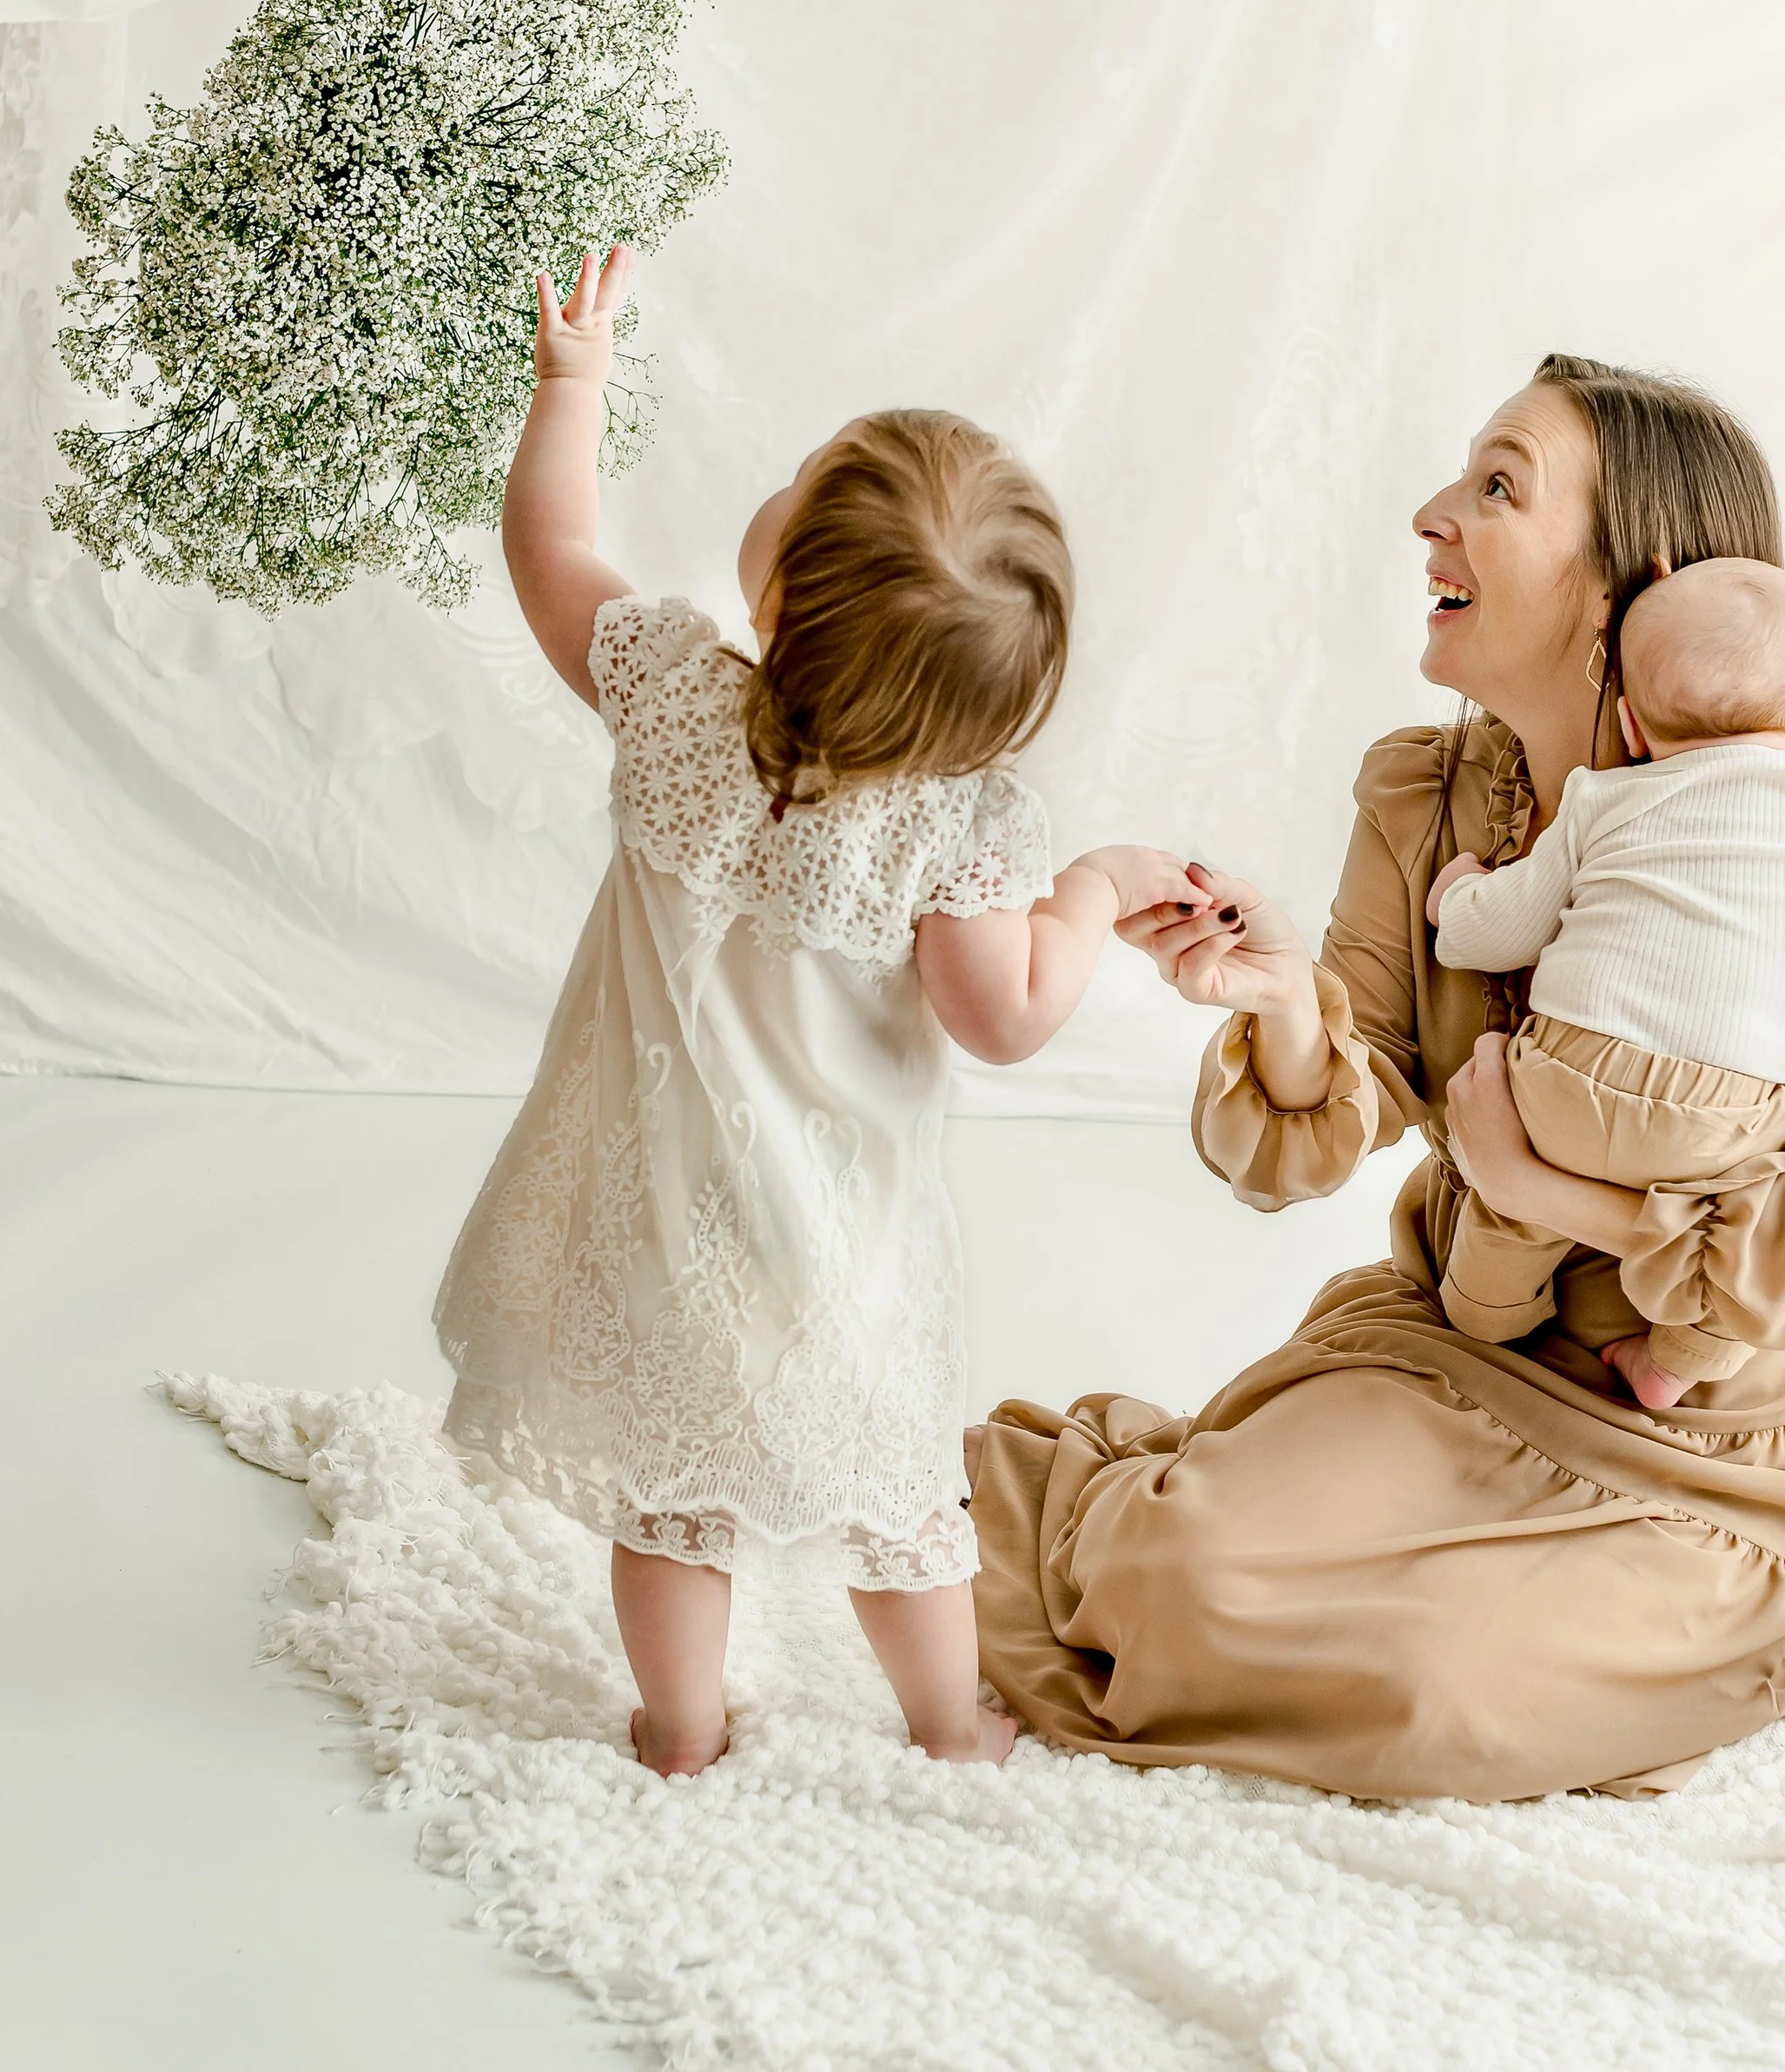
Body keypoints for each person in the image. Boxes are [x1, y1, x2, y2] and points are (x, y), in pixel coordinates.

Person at [968, 352, 1785, 1804]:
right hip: (1470, 1347)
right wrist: (1284, 998)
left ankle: (1755, 1616)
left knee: (1440, 1701)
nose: (1435, 513)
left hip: (1708, 1432)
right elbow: (1328, 1114)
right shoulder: (1427, 796)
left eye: (1499, 487)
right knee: (1175, 1582)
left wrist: (1540, 1185)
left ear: (1628, 582)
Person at [435, 248, 1211, 1777]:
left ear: (779, 596)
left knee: (673, 1504)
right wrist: (1095, 887)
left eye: (796, 485)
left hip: (659, 1219)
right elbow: (1008, 1015)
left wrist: (571, 385)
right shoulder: (960, 823)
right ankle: (946, 1723)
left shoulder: (674, 694)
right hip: (840, 1252)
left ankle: (681, 1727)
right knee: (900, 1505)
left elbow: (549, 544)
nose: (779, 480)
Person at [1427, 556, 1785, 1411]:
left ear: (1632, 726)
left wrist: (1454, 898)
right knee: (1758, 1236)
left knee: (1512, 1215)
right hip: (1723, 1116)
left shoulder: (1599, 798)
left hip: (1563, 1075)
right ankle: (1671, 1364)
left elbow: (1497, 935)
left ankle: (1484, 1316)